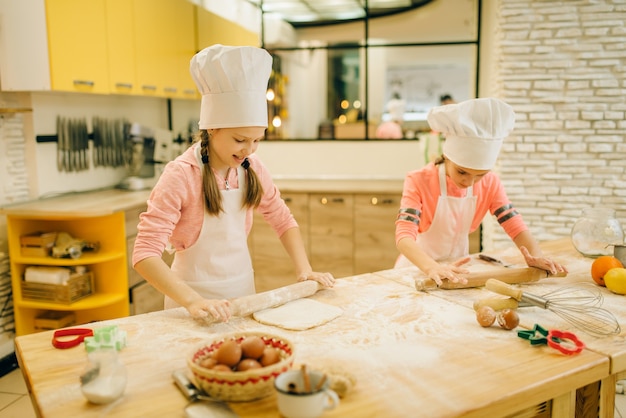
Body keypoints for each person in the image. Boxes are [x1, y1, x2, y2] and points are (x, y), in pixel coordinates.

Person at [132, 44, 335, 322]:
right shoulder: (181, 175)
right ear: (212, 128)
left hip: (242, 293)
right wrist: (193, 302)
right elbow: (144, 254)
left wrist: (304, 269)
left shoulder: (252, 168)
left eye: (256, 141)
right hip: (190, 300)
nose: (248, 150)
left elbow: (282, 219)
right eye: (240, 140)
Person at [394, 97, 567, 285]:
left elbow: (513, 223)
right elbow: (404, 236)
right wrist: (431, 267)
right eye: (462, 172)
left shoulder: (491, 183)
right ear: (447, 157)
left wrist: (536, 256)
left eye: (480, 175)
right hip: (418, 269)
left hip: (457, 271)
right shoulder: (419, 180)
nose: (469, 182)